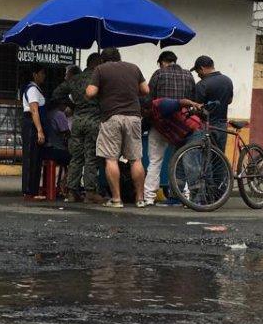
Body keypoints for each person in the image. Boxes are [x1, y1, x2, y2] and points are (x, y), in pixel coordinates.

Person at [86, 47, 149, 208]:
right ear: (119, 57)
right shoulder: (134, 68)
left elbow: (91, 92)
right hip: (134, 117)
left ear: (102, 59)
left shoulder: (101, 69)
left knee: (111, 158)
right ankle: (140, 199)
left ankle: (116, 199)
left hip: (111, 117)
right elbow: (145, 90)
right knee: (136, 159)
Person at [143, 51, 199, 206]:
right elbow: (192, 100)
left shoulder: (158, 74)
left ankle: (149, 197)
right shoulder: (188, 75)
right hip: (181, 125)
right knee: (182, 160)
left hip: (160, 125)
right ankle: (184, 195)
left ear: (161, 62)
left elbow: (148, 100)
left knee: (155, 161)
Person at [53, 53, 104, 203]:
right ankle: (90, 192)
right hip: (93, 121)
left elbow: (57, 93)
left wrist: (72, 105)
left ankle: (71, 192)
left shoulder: (75, 79)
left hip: (77, 121)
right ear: (97, 63)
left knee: (76, 157)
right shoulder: (98, 79)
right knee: (91, 157)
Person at [192, 55, 234, 195]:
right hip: (222, 125)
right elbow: (229, 100)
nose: (198, 74)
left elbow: (196, 106)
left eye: (198, 71)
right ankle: (220, 192)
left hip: (206, 125)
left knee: (205, 159)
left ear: (202, 68)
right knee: (219, 159)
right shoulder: (227, 80)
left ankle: (208, 193)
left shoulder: (202, 85)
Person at [19, 63, 47, 199]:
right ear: (35, 75)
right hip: (32, 124)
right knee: (31, 157)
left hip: (32, 124)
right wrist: (39, 130)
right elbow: (34, 110)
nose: (44, 76)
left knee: (35, 158)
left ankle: (32, 190)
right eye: (42, 73)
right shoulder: (32, 90)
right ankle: (30, 191)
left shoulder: (35, 89)